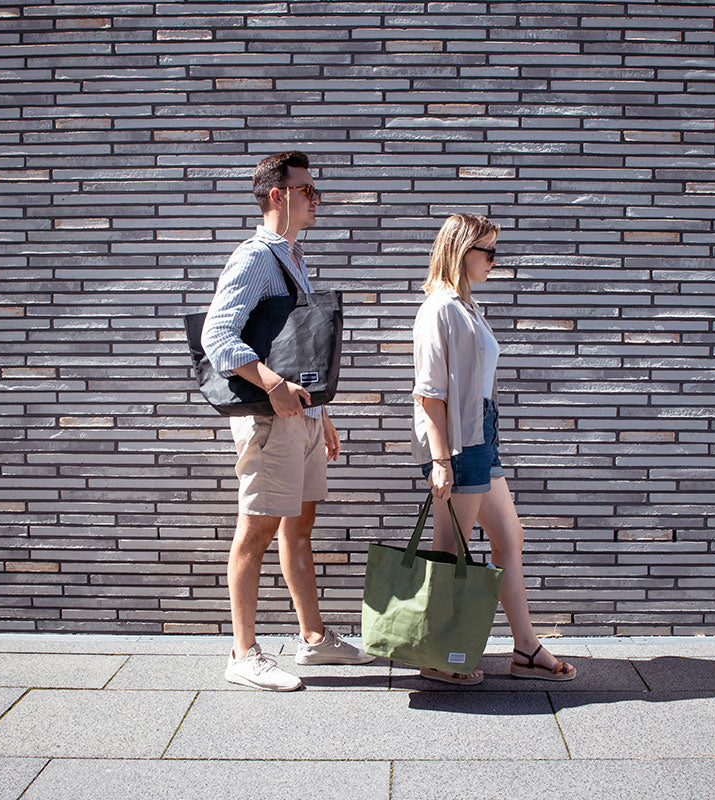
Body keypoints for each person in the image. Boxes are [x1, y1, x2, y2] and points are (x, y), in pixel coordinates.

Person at [201, 151, 373, 691]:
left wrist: (321, 414)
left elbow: (299, 346)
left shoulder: (291, 257)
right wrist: (273, 385)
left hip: (300, 419)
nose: (315, 199)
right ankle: (243, 652)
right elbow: (216, 336)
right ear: (278, 194)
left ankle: (315, 640)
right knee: (255, 531)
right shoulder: (255, 257)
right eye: (308, 190)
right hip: (269, 418)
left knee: (299, 529)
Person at [411, 213, 576, 685]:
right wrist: (441, 458)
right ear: (463, 252)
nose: (495, 261)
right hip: (458, 442)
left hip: (480, 434)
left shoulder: (467, 307)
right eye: (489, 252)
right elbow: (429, 393)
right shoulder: (439, 308)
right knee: (450, 550)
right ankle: (437, 654)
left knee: (509, 538)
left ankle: (525, 649)